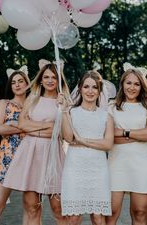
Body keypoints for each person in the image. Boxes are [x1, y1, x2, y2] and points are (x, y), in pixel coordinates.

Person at [2, 59, 71, 225]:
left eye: (54, 77)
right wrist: (47, 126)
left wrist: (36, 128)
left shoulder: (65, 102)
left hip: (52, 154)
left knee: (58, 208)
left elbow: (62, 132)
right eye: (46, 77)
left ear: (59, 80)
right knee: (32, 206)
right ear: (40, 79)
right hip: (31, 154)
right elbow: (22, 125)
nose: (49, 80)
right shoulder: (32, 99)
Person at [106, 63, 147, 225]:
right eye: (128, 83)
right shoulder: (112, 107)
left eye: (137, 84)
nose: (132, 87)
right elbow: (109, 136)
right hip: (116, 164)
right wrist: (140, 134)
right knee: (111, 212)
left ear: (142, 87)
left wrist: (124, 132)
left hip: (141, 164)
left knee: (140, 212)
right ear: (122, 84)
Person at [61, 70, 114, 225]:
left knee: (98, 218)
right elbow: (68, 137)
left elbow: (108, 144)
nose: (90, 91)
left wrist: (82, 140)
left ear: (99, 91)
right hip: (74, 167)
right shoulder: (70, 112)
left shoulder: (106, 116)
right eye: (86, 87)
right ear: (80, 89)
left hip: (98, 169)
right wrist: (63, 110)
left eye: (94, 87)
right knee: (74, 217)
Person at [0, 66, 30, 225]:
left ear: (27, 84)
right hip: (7, 159)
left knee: (31, 208)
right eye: (13, 83)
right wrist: (26, 127)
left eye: (20, 81)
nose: (17, 85)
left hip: (29, 158)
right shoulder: (5, 103)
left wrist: (12, 128)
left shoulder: (33, 105)